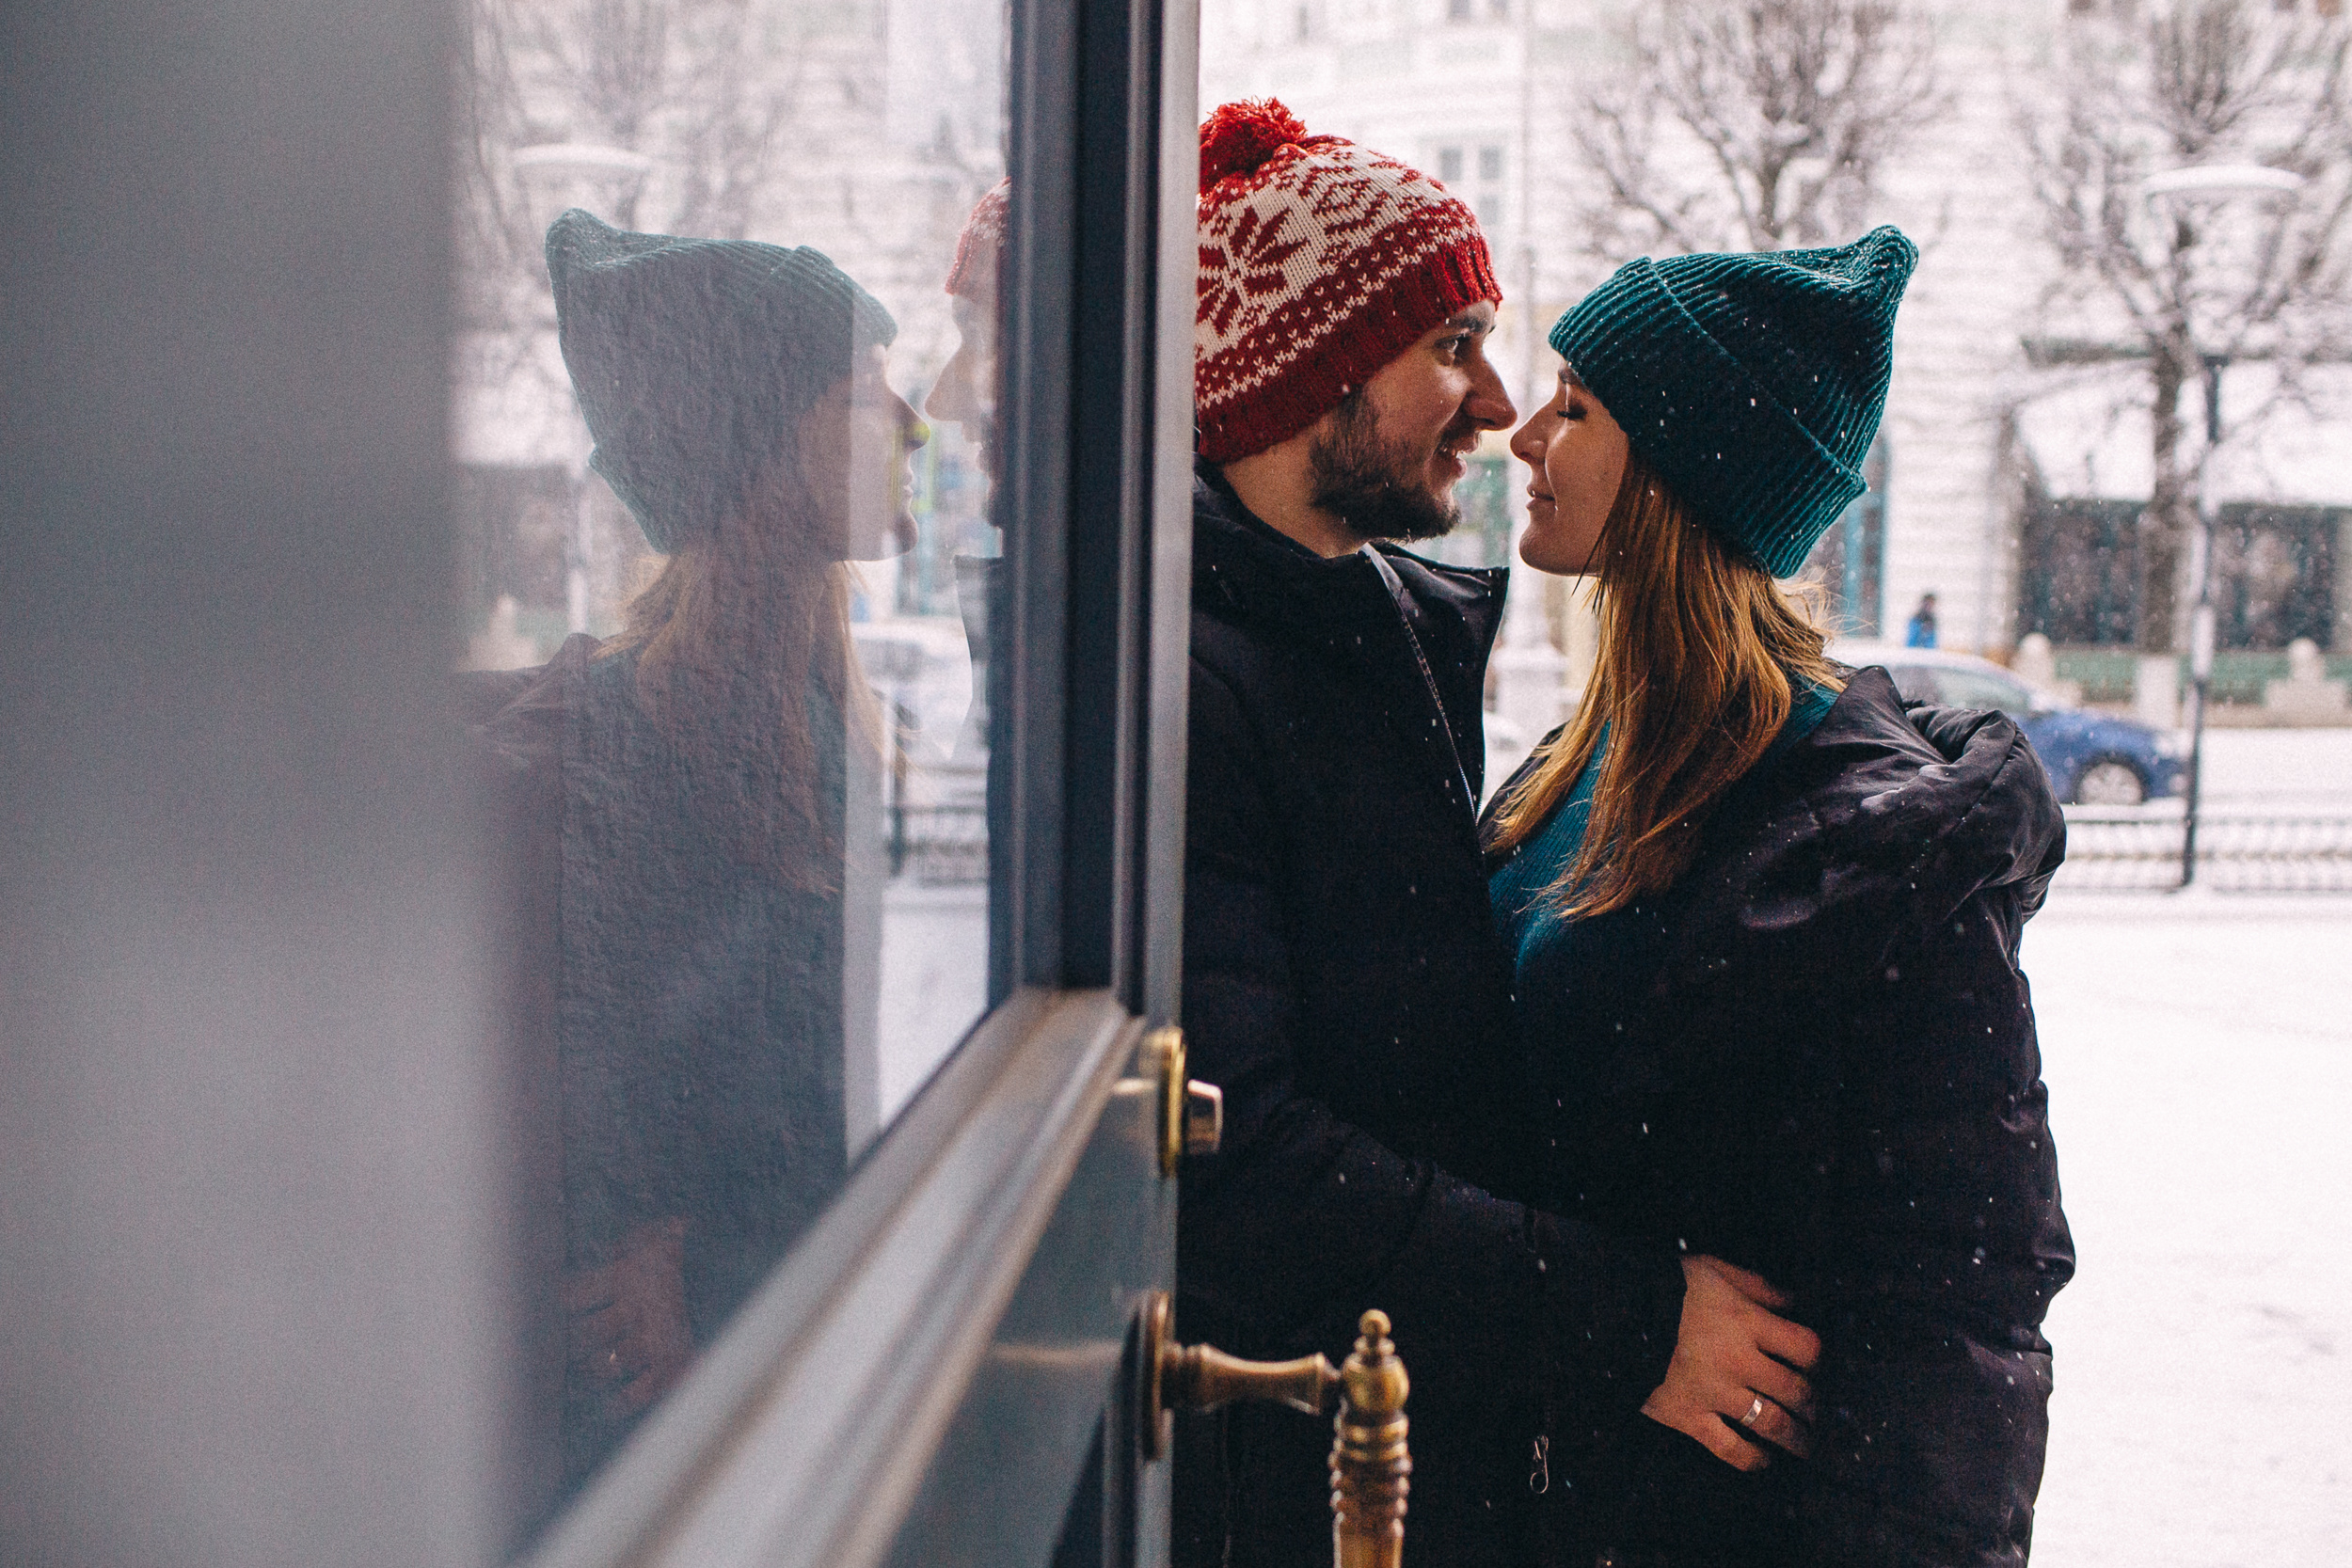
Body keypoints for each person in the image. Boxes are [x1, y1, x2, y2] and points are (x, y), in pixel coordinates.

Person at [1175, 101, 1820, 1568]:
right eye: (1450, 346)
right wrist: (1628, 1321)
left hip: (1414, 1444)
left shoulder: (1378, 626)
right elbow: (1241, 1156)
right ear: (1312, 373)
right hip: (1298, 1474)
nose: (1491, 403)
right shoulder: (1196, 686)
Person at [1485, 228, 2074, 1566]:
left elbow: (1963, 1320)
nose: (1525, 436)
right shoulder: (1569, 765)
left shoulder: (1876, 852)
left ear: (1682, 476)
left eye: (1575, 407)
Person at [464, 210, 924, 1500]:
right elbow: (631, 1100)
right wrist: (704, 1270)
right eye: (858, 391)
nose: (910, 424)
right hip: (685, 1415)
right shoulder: (635, 734)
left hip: (769, 1354)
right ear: (762, 445)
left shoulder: (818, 708)